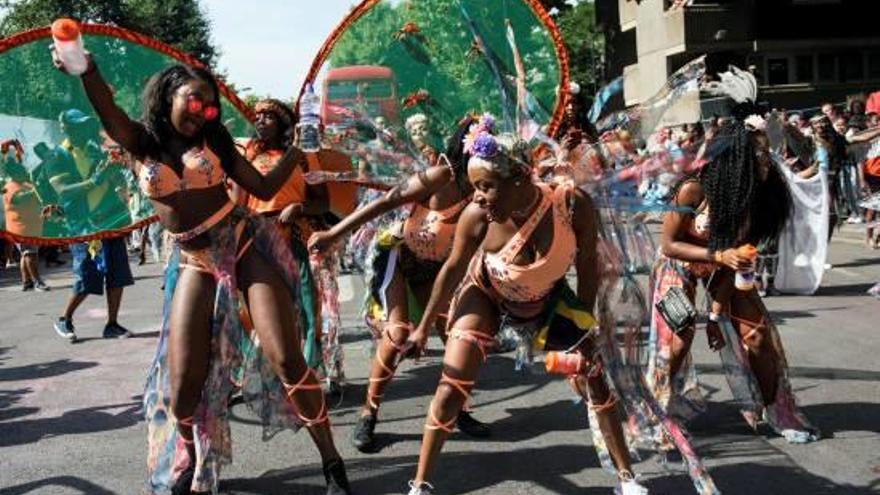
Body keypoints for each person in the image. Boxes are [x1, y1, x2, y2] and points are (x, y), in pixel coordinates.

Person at [53, 50, 351, 494]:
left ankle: (332, 462)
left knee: (287, 357)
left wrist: (296, 151)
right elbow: (107, 109)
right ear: (170, 92)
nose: (203, 112)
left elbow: (264, 188)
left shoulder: (217, 143)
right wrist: (87, 70)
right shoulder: (140, 143)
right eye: (195, 100)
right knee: (184, 385)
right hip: (193, 260)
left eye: (210, 106)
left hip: (242, 244)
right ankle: (190, 456)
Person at [398, 118, 719, 495]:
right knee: (452, 390)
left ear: (519, 178)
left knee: (595, 381)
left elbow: (587, 269)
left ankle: (627, 481)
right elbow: (453, 269)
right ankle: (419, 486)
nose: (478, 197)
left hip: (545, 299)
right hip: (486, 293)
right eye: (473, 187)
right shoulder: (476, 217)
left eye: (487, 187)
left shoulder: (571, 205)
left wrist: (584, 327)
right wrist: (421, 331)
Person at [309, 116, 492, 453]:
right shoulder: (440, 176)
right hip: (402, 259)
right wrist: (334, 234)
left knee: (458, 338)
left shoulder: (486, 189)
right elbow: (385, 202)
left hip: (441, 270)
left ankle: (457, 409)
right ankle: (369, 413)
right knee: (397, 336)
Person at [649, 104, 819, 445]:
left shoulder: (760, 199)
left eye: (767, 151)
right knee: (678, 340)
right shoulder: (692, 190)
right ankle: (659, 415)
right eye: (758, 152)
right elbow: (668, 244)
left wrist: (714, 314)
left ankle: (777, 410)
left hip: (725, 267)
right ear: (734, 157)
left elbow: (737, 264)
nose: (767, 159)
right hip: (680, 261)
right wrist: (717, 254)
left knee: (757, 337)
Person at [238, 98, 346, 393]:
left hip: (294, 234)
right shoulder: (248, 154)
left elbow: (322, 201)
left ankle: (309, 370)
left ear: (283, 123)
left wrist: (299, 207)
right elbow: (240, 199)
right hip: (256, 236)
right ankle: (266, 373)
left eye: (268, 117)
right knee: (256, 308)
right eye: (257, 117)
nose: (260, 121)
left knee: (306, 304)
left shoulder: (302, 157)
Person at [48, 109, 133, 341]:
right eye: (77, 127)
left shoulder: (94, 149)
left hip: (109, 219)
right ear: (66, 128)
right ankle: (64, 319)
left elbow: (109, 178)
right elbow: (63, 191)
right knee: (86, 275)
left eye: (85, 126)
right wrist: (93, 181)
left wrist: (114, 175)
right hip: (83, 226)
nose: (83, 130)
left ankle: (112, 324)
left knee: (117, 273)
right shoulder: (57, 156)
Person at [1, 139, 50, 291]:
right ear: (14, 173)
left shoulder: (23, 182)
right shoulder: (10, 187)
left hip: (30, 226)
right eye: (21, 171)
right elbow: (22, 198)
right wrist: (37, 189)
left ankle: (26, 282)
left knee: (25, 254)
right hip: (21, 228)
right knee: (30, 254)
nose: (24, 172)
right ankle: (37, 282)